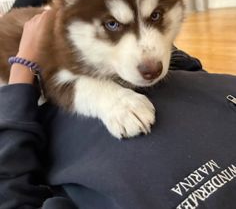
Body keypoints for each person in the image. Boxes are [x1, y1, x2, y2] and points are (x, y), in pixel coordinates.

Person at [0, 12, 236, 209]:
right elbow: (195, 72)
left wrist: (22, 66)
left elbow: (13, 198)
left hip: (47, 97)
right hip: (175, 84)